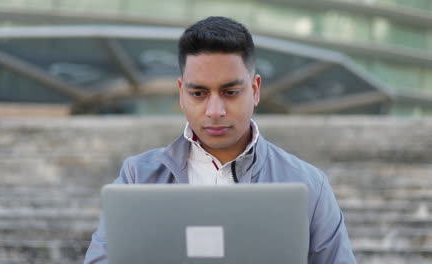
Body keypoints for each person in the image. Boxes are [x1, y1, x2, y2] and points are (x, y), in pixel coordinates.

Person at [84, 16, 357, 263]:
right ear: (182, 93)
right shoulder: (137, 177)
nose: (215, 111)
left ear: (255, 90)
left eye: (230, 92)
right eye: (199, 94)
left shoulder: (310, 185)